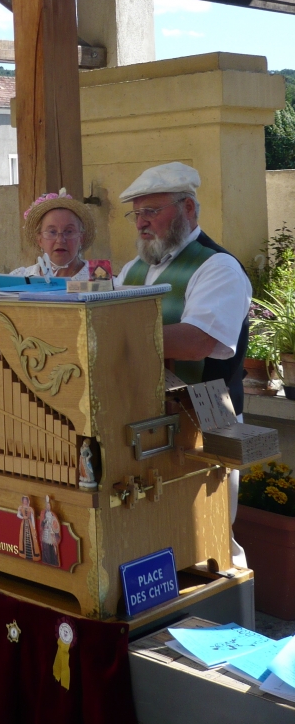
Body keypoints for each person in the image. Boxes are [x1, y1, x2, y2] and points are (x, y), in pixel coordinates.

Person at [116, 161, 251, 567]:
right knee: (156, 533)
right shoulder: (133, 269)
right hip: (145, 416)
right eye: (136, 213)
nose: (141, 223)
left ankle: (227, 616)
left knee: (209, 541)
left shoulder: (217, 266)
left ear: (189, 209)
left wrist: (113, 339)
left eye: (152, 212)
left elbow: (198, 341)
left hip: (205, 416)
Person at [9, 189, 96, 280]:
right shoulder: (20, 278)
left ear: (81, 238)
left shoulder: (98, 278)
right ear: (39, 239)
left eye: (69, 231)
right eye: (52, 232)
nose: (60, 240)